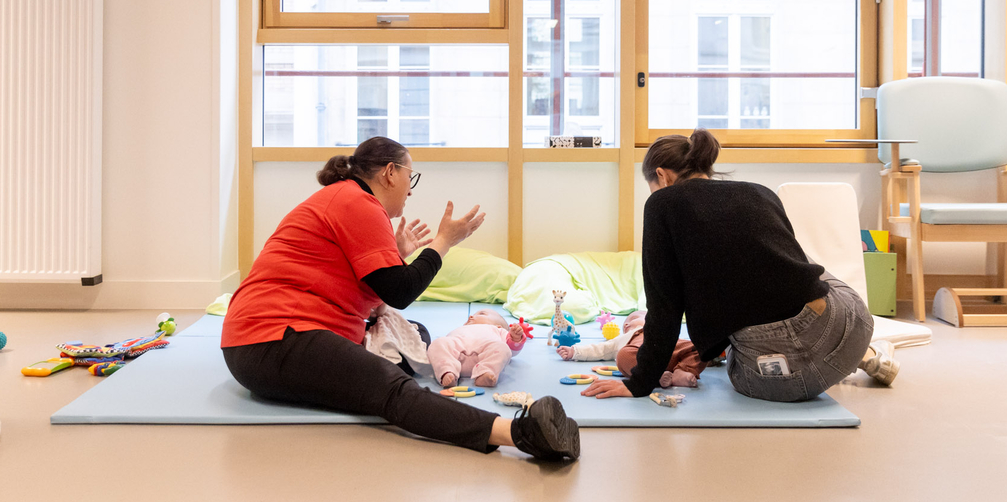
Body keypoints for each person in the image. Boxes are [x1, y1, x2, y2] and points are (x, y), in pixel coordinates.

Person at [221, 136, 580, 461]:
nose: (410, 191)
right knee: (391, 389)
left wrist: (394, 252)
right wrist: (444, 241)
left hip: (273, 337)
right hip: (271, 338)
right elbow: (402, 291)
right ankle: (518, 433)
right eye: (411, 176)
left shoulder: (347, 199)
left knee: (416, 334)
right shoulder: (357, 201)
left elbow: (373, 288)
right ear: (390, 173)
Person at [581, 130, 899, 403]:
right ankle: (865, 355)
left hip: (794, 373)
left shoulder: (663, 203)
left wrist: (638, 384)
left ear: (662, 176)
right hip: (852, 320)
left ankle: (842, 358)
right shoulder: (757, 191)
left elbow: (665, 307)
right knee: (796, 263)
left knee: (733, 364)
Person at [556, 310, 708, 388]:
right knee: (623, 356)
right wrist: (574, 351)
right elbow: (599, 349)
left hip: (666, 348)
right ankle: (656, 376)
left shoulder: (661, 330)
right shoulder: (625, 338)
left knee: (698, 347)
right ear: (627, 326)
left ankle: (683, 371)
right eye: (643, 316)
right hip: (640, 355)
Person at [428, 309, 527, 388]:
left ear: (498, 325)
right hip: (457, 358)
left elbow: (512, 351)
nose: (471, 316)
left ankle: (486, 372)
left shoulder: (498, 330)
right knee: (438, 343)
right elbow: (446, 347)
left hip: (484, 358)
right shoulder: (460, 329)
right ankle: (447, 371)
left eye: (482, 313)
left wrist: (515, 337)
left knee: (503, 348)